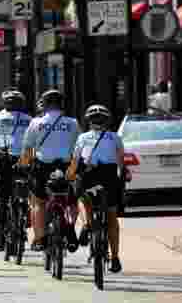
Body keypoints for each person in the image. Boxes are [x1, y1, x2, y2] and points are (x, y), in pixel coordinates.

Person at [67, 104, 126, 274]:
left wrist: (69, 176)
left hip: (89, 176)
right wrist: (123, 177)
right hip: (109, 178)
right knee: (112, 216)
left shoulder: (83, 138)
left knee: (82, 198)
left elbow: (75, 162)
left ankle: (86, 225)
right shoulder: (115, 138)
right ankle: (115, 258)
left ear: (89, 122)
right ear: (107, 122)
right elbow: (121, 164)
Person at [21, 89, 79, 252]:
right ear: (61, 105)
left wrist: (24, 166)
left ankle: (40, 238)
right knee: (72, 202)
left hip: (43, 167)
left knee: (38, 202)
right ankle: (70, 227)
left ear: (44, 104)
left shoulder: (36, 123)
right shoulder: (72, 123)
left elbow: (27, 149)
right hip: (67, 167)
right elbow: (78, 147)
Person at [0, 90, 32, 250]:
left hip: (3, 160)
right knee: (29, 194)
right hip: (24, 160)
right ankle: (24, 216)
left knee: (2, 197)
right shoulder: (30, 120)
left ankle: (1, 230)